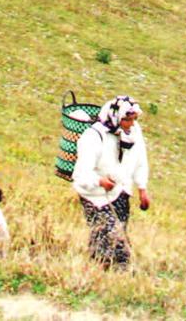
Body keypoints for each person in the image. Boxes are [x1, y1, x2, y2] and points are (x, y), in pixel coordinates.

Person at [71, 95, 150, 270]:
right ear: (116, 117)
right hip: (94, 196)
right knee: (116, 240)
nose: (131, 123)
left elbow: (140, 159)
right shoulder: (93, 137)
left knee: (108, 234)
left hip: (120, 191)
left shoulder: (133, 132)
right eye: (127, 119)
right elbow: (80, 174)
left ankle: (95, 269)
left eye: (134, 119)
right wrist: (99, 181)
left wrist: (142, 187)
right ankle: (121, 273)